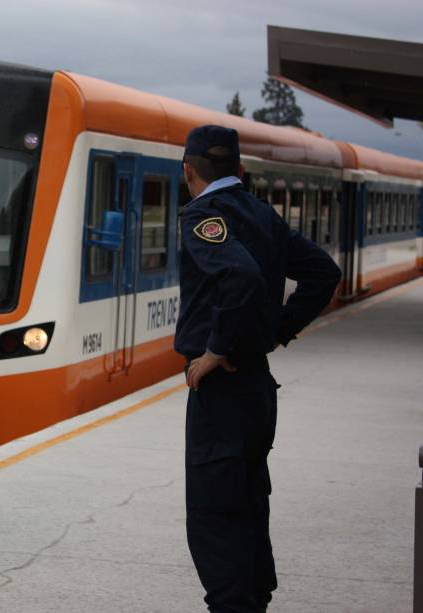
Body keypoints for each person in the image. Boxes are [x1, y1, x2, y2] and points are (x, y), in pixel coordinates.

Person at [175, 125, 341, 613]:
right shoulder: (263, 214)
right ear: (240, 170)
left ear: (189, 171)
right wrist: (276, 331)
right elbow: (323, 273)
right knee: (247, 507)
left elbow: (240, 274)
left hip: (223, 391)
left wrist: (215, 347)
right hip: (257, 390)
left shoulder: (203, 214)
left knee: (213, 518)